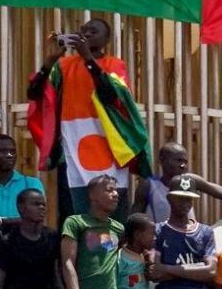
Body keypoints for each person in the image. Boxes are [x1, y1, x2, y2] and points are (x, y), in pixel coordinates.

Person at [27, 19, 151, 225]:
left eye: (94, 31)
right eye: (84, 30)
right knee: (73, 214)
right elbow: (33, 93)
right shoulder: (63, 66)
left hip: (109, 148)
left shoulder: (114, 64)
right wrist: (49, 62)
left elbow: (111, 95)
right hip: (72, 148)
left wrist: (88, 58)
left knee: (113, 212)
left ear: (106, 40)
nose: (87, 33)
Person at [146, 175, 218, 289]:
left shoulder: (205, 232)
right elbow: (154, 273)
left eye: (189, 198)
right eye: (181, 198)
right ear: (170, 198)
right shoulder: (158, 231)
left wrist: (167, 268)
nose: (186, 203)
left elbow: (211, 272)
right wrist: (198, 269)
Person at [0, 188, 63, 289]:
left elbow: (55, 274)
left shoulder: (51, 237)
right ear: (21, 208)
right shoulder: (8, 241)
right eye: (36, 204)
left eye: (43, 204)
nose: (42, 208)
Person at [60, 175, 125, 289]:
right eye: (109, 190)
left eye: (116, 190)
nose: (115, 194)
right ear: (92, 196)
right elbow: (67, 263)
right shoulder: (75, 223)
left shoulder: (119, 229)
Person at [131, 143, 222, 223]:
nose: (183, 165)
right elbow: (134, 218)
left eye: (185, 162)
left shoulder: (190, 180)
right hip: (160, 246)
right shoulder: (149, 186)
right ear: (162, 160)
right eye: (178, 160)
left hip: (189, 242)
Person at [0, 135, 45, 223]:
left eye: (12, 151)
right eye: (3, 151)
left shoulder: (31, 184)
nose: (9, 155)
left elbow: (36, 217)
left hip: (23, 236)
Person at [115, 214, 155, 289]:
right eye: (151, 234)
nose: (154, 238)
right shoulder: (120, 259)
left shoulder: (147, 258)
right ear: (137, 235)